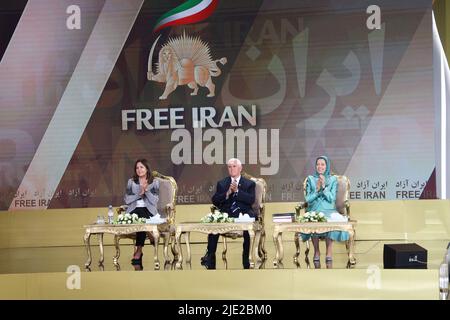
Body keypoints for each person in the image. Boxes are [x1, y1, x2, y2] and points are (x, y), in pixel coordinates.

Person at [201, 158, 256, 269]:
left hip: (243, 214)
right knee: (214, 227)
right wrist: (227, 193)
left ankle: (246, 260)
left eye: (234, 166)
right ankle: (210, 258)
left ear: (240, 168)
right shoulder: (222, 183)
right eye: (229, 167)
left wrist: (237, 192)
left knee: (247, 230)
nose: (231, 169)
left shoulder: (249, 184)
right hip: (228, 214)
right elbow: (215, 200)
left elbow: (251, 200)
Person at [300, 156, 349, 262]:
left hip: (328, 209)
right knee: (312, 220)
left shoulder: (332, 180)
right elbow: (308, 199)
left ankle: (329, 251)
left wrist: (324, 188)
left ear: (326, 166)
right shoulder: (310, 179)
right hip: (314, 209)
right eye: (318, 164)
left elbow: (332, 198)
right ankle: (316, 251)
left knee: (330, 221)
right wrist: (317, 190)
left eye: (322, 164)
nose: (320, 167)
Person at [124, 159, 159, 265]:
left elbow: (154, 200)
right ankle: (149, 233)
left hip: (148, 210)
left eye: (141, 167)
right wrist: (139, 194)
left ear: (147, 168)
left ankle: (139, 250)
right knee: (140, 218)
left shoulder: (154, 182)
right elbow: (127, 199)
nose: (139, 170)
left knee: (141, 219)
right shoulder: (131, 182)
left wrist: (147, 191)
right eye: (137, 168)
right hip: (133, 210)